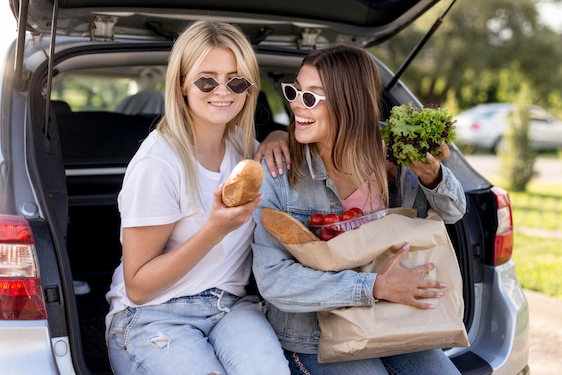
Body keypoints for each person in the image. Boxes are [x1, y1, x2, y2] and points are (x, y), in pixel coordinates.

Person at [252, 44, 466, 374]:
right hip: (314, 337)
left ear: (347, 104)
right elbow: (273, 280)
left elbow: (453, 213)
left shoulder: (395, 155)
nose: (295, 103)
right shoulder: (279, 171)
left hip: (392, 324)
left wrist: (433, 176)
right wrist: (373, 287)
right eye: (295, 90)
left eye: (311, 97)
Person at [105, 21, 290, 375]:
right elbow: (139, 286)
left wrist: (280, 133)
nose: (224, 91)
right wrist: (214, 231)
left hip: (232, 308)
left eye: (236, 80)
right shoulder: (158, 163)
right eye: (207, 80)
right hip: (152, 316)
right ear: (181, 84)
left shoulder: (247, 152)